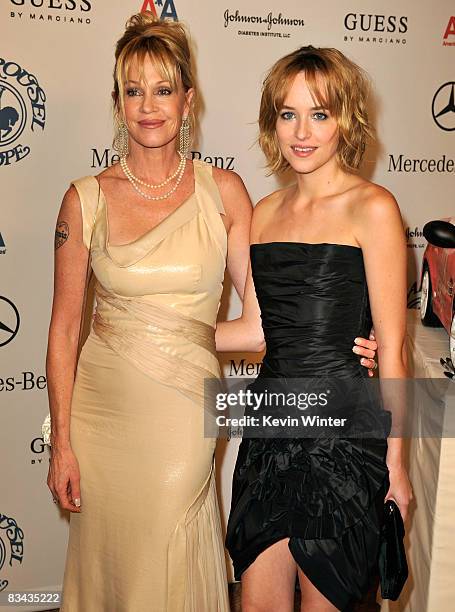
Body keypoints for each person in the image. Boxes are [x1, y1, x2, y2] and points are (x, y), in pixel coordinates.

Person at [45, 12, 378, 610]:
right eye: (133, 90)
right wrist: (62, 442)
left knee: (169, 548)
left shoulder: (222, 192)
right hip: (102, 411)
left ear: (188, 100)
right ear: (117, 102)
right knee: (108, 561)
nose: (149, 106)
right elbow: (65, 329)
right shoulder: (83, 199)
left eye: (164, 89)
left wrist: (354, 334)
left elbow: (266, 314)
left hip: (182, 410)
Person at [217, 46, 413, 612]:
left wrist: (396, 466)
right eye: (288, 114)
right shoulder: (264, 212)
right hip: (270, 433)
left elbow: (394, 348)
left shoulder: (373, 207)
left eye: (319, 114)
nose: (302, 132)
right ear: (271, 121)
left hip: (344, 438)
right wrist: (154, 328)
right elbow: (254, 330)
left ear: (344, 120)